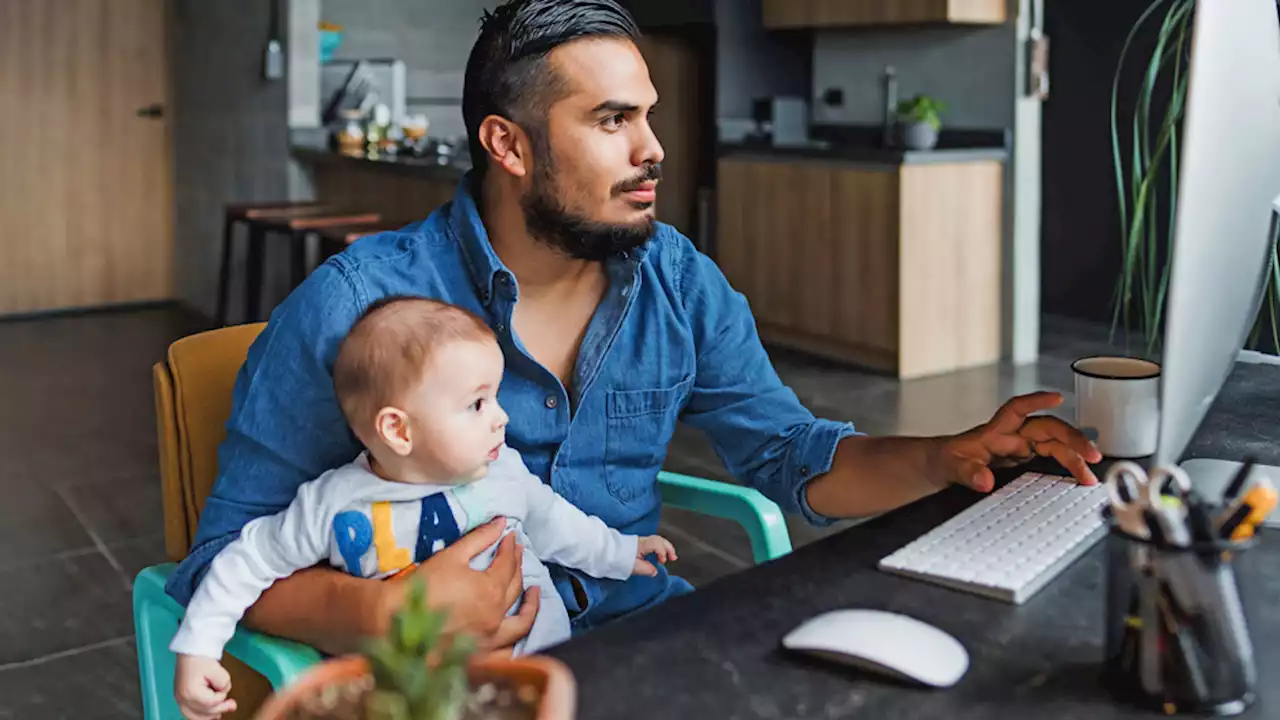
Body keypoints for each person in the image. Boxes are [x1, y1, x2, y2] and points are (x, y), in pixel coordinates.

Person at [167, 0, 1100, 659]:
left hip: (644, 633)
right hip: (445, 677)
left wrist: (948, 457)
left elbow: (791, 452)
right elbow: (218, 561)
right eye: (612, 120)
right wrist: (380, 616)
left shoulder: (678, 281)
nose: (654, 148)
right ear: (509, 144)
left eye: (648, 117)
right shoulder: (353, 307)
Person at [171, 296, 676, 719]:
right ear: (398, 430)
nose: (501, 418)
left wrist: (621, 551)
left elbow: (560, 527)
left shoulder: (503, 475)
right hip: (407, 697)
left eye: (496, 398)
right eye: (478, 404)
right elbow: (247, 561)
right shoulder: (333, 504)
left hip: (533, 680)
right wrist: (199, 647)